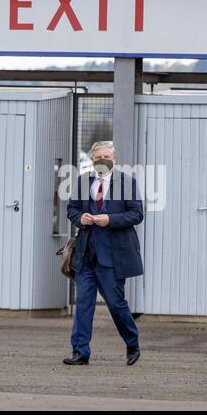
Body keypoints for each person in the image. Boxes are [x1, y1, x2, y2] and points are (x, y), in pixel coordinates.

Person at [63, 141, 144, 366]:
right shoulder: (82, 182)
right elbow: (72, 209)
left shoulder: (127, 182)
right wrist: (80, 218)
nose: (102, 160)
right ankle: (80, 351)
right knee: (84, 303)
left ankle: (132, 342)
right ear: (92, 160)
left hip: (114, 256)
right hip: (86, 255)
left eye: (106, 156)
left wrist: (110, 220)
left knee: (116, 304)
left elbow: (136, 214)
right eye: (98, 157)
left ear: (114, 159)